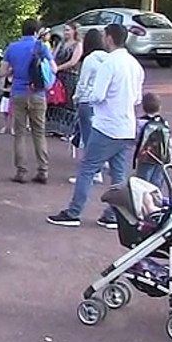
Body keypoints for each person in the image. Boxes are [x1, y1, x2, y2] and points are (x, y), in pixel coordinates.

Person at [47, 23, 143, 228]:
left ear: (109, 38)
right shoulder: (135, 65)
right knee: (118, 172)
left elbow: (97, 95)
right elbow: (137, 98)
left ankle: (74, 212)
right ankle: (115, 214)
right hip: (126, 125)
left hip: (107, 125)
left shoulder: (109, 63)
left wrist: (87, 98)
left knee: (87, 168)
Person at [0, 19, 55, 184]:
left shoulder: (12, 48)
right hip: (37, 94)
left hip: (18, 93)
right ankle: (43, 170)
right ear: (36, 32)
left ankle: (21, 171)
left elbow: (2, 72)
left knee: (20, 133)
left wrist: (13, 70)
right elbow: (53, 68)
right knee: (39, 132)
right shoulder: (41, 47)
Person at [68, 29, 107, 185]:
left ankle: (93, 172)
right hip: (102, 102)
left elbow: (83, 82)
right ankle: (101, 163)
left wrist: (76, 97)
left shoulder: (89, 60)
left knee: (87, 137)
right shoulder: (108, 59)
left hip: (87, 100)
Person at [133, 92, 170, 189]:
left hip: (145, 157)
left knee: (142, 182)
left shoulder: (140, 122)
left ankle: (143, 198)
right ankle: (155, 197)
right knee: (156, 182)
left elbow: (136, 138)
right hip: (161, 158)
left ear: (143, 107)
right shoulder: (164, 122)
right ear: (160, 107)